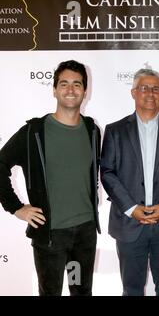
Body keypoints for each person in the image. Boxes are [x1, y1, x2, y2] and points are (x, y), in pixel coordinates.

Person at [0, 60, 101, 296]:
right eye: (64, 84)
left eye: (77, 84)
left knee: (82, 292)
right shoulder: (34, 132)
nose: (70, 89)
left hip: (85, 234)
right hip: (50, 235)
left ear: (85, 91)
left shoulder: (92, 130)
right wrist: (16, 207)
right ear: (54, 89)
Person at [100, 68, 159, 296]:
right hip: (128, 224)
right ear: (133, 92)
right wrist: (132, 209)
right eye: (144, 88)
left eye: (156, 89)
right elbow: (107, 172)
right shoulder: (115, 131)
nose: (150, 93)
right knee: (131, 289)